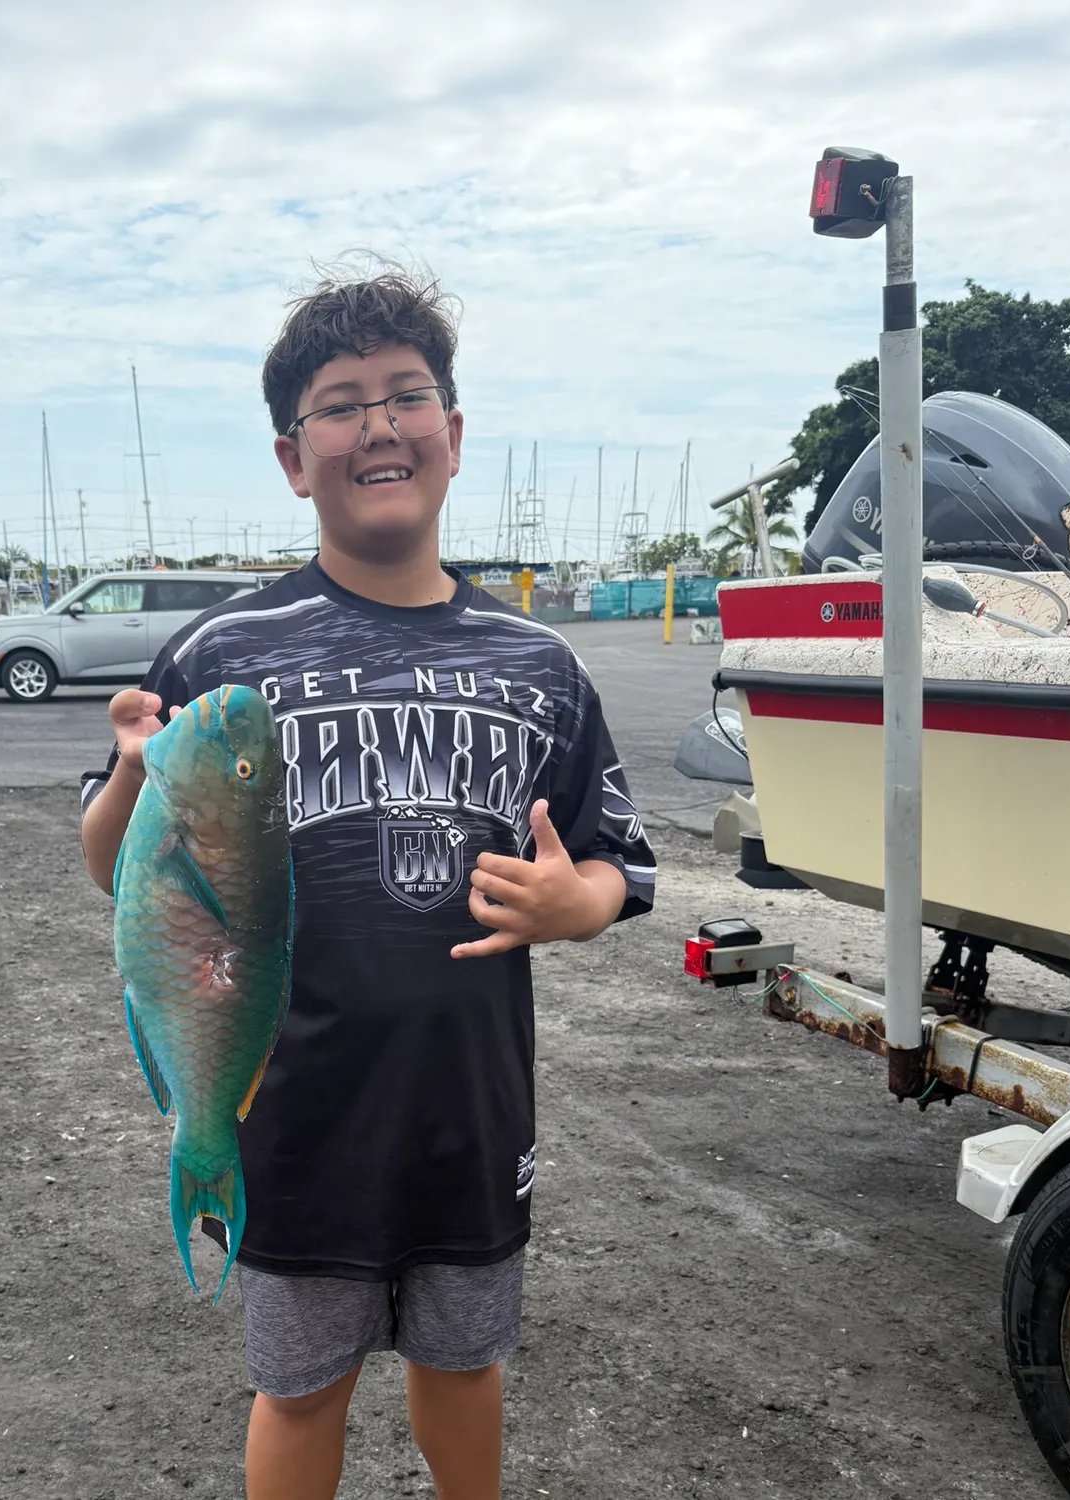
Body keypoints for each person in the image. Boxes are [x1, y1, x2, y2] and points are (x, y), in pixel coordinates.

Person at [79, 266, 656, 1500]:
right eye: (340, 406)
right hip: (287, 1111)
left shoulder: (539, 662)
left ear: (454, 432)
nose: (380, 424)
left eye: (407, 396)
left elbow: (618, 856)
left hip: (470, 1107)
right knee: (299, 1388)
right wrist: (131, 775)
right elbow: (111, 866)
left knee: (465, 1365)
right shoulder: (221, 653)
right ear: (295, 460)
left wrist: (580, 905)